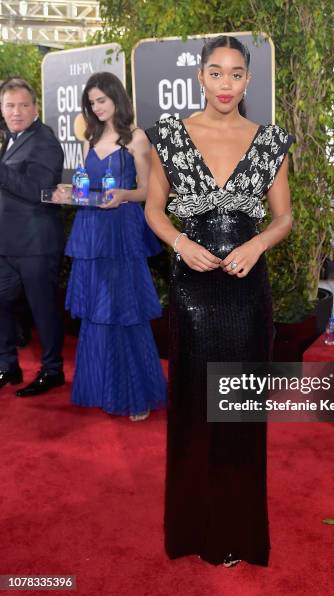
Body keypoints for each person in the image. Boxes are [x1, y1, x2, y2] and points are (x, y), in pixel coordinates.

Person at [145, 35, 293, 566]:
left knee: (239, 411)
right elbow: (155, 211)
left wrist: (256, 243)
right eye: (216, 72)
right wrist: (182, 244)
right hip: (193, 288)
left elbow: (284, 217)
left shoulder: (269, 140)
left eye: (236, 74)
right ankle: (192, 529)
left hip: (247, 289)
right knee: (193, 407)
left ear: (248, 81)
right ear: (200, 77)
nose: (225, 83)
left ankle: (235, 532)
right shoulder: (170, 137)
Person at [59, 72, 166, 420]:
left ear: (117, 98)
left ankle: (137, 395)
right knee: (97, 313)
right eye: (91, 102)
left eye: (102, 100)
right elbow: (86, 188)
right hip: (91, 233)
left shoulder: (136, 139)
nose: (97, 107)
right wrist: (69, 193)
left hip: (122, 233)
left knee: (125, 312)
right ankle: (104, 388)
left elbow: (150, 191)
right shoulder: (90, 139)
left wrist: (123, 195)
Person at [0, 77, 65, 396]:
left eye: (24, 105)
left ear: (35, 108)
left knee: (43, 309)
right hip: (6, 243)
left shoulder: (45, 140)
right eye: (10, 105)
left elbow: (38, 191)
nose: (17, 112)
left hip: (36, 244)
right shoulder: (8, 139)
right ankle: (7, 365)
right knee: (2, 304)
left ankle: (52, 370)